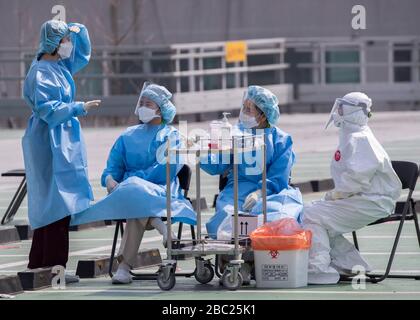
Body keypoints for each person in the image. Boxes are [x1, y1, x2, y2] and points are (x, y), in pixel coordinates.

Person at [70, 82, 196, 284]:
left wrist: (135, 183)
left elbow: (167, 169)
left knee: (136, 197)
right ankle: (164, 230)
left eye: (149, 103)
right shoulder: (127, 135)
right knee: (135, 195)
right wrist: (109, 180)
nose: (144, 106)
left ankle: (124, 266)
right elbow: (113, 167)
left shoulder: (172, 136)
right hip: (127, 192)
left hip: (160, 189)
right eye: (142, 102)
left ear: (161, 109)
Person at [22, 20, 100, 282]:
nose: (69, 45)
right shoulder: (41, 71)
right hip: (48, 140)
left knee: (54, 205)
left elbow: (83, 54)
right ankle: (54, 267)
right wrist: (78, 108)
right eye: (65, 39)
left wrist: (80, 30)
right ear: (55, 44)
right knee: (55, 205)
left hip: (61, 139)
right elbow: (48, 109)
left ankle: (40, 263)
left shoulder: (58, 66)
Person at [200, 85, 304, 283]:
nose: (243, 113)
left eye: (250, 109)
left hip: (272, 193)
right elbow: (217, 165)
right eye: (244, 107)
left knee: (277, 218)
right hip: (236, 189)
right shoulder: (235, 134)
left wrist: (259, 192)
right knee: (227, 216)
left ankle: (257, 263)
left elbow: (279, 177)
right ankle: (236, 263)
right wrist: (201, 154)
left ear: (263, 115)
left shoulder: (281, 140)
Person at [302, 92, 402, 284]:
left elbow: (356, 180)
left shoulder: (360, 139)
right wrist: (335, 196)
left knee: (310, 215)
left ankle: (318, 269)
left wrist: (334, 195)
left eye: (342, 107)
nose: (337, 111)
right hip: (362, 199)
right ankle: (353, 265)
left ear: (352, 110)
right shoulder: (354, 137)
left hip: (370, 202)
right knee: (315, 216)